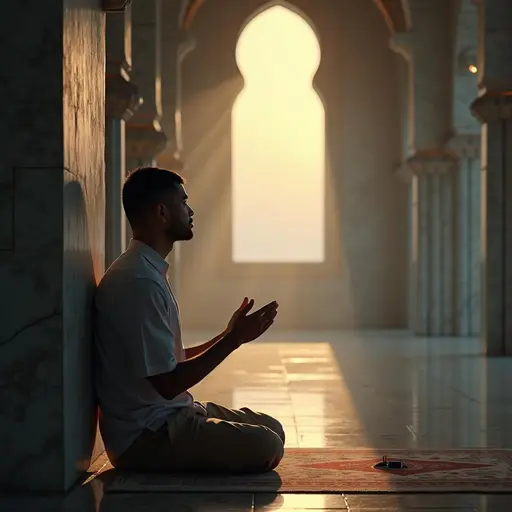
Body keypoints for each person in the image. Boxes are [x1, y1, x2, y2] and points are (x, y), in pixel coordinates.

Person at [93, 166, 284, 474]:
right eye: (183, 202)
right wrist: (233, 341)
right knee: (268, 445)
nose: (190, 210)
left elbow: (169, 360)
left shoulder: (145, 271)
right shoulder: (138, 282)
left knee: (274, 428)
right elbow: (168, 384)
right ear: (161, 213)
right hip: (146, 436)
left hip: (170, 416)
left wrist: (227, 334)